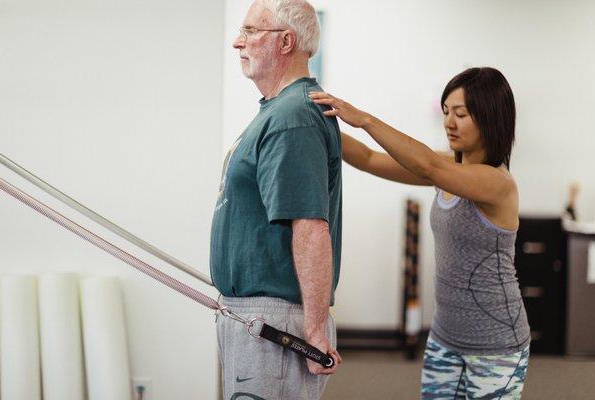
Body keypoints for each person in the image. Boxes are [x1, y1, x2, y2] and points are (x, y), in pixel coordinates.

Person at [310, 67, 531, 398]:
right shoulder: (447, 168)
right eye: (446, 112)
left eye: (461, 113)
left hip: (496, 345)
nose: (449, 123)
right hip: (445, 338)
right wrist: (314, 122)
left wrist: (365, 119)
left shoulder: (498, 184)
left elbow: (429, 166)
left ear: (490, 117)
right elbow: (369, 158)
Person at [210, 1, 343, 399]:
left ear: (286, 42)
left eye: (252, 31)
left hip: (275, 321)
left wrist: (315, 331)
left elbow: (310, 225)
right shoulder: (278, 112)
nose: (238, 42)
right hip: (254, 314)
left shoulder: (292, 118)